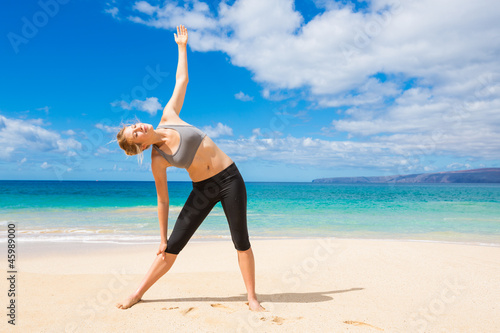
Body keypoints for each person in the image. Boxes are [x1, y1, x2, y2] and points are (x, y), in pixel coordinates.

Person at [114, 25, 264, 312]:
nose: (139, 127)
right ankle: (137, 293)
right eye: (136, 134)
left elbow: (181, 80)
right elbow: (162, 200)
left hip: (231, 178)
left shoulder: (168, 116)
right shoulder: (158, 160)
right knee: (172, 247)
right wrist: (161, 237)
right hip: (203, 189)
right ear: (141, 147)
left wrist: (182, 47)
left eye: (135, 126)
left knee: (241, 241)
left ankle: (252, 297)